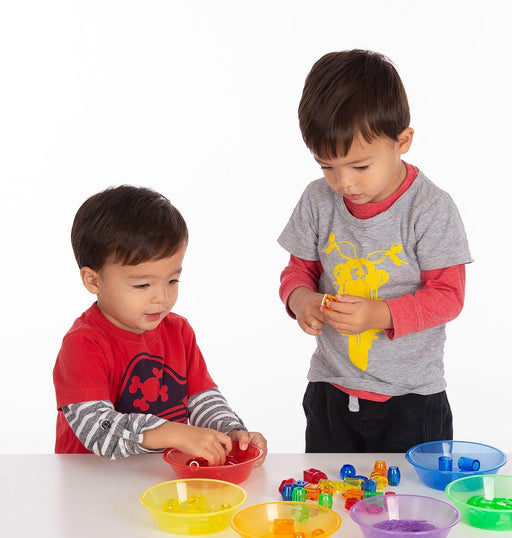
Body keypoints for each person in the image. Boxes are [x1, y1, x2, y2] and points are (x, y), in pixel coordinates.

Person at [278, 49, 473, 453]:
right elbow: (298, 271)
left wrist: (378, 314)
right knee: (328, 498)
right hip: (331, 389)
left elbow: (449, 297)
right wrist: (302, 300)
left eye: (360, 166)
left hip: (412, 399)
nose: (343, 182)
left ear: (402, 141)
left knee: (407, 505)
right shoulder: (318, 201)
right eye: (326, 167)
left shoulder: (430, 208)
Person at [54, 185, 267, 464]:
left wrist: (231, 431)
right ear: (93, 280)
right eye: (142, 284)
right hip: (91, 479)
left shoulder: (179, 331)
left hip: (156, 477)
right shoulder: (83, 343)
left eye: (172, 280)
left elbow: (202, 398)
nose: (163, 297)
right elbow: (97, 429)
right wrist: (174, 433)